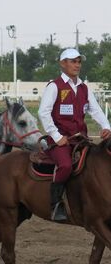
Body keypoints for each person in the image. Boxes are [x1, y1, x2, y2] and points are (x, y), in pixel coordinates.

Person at [38, 48, 111, 222]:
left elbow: (96, 110)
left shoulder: (84, 88)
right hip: (60, 141)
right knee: (65, 166)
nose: (77, 65)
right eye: (73, 61)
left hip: (81, 140)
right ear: (62, 63)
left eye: (79, 61)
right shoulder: (54, 86)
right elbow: (43, 113)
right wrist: (56, 136)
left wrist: (106, 126)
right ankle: (55, 204)